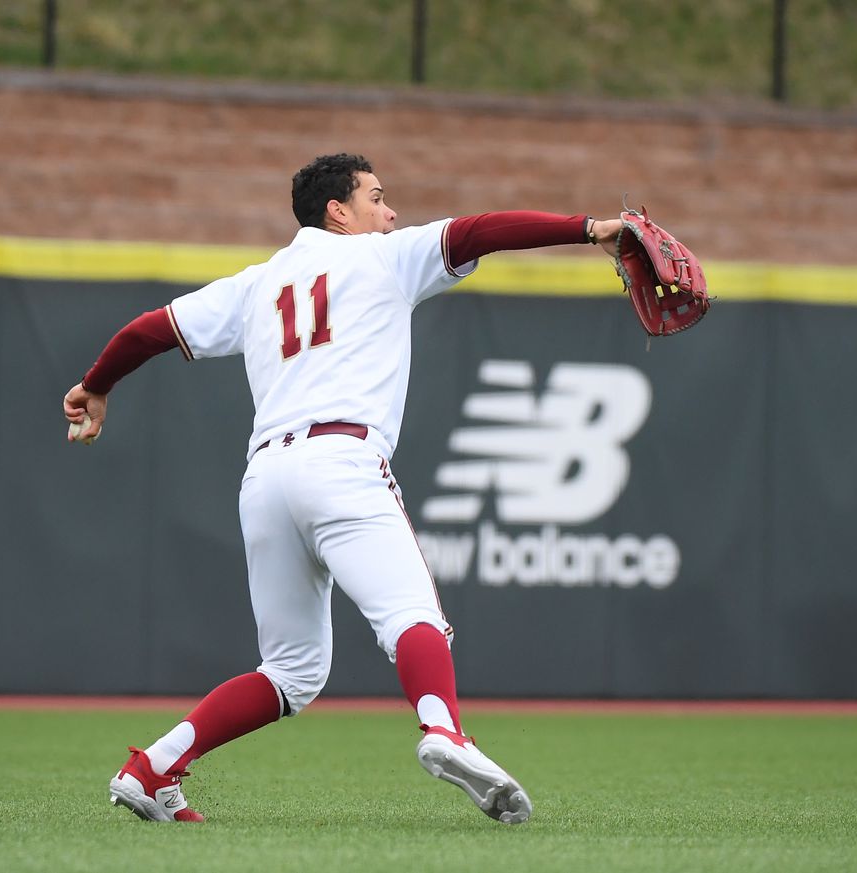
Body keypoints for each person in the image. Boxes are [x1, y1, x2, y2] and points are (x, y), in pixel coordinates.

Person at [62, 153, 626, 825]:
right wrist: (588, 227)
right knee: (413, 616)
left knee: (291, 669)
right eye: (378, 199)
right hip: (341, 459)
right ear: (339, 211)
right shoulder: (385, 258)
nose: (390, 214)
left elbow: (148, 330)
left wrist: (97, 385)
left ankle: (152, 766)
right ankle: (443, 731)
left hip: (265, 478)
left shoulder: (259, 282)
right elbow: (481, 230)